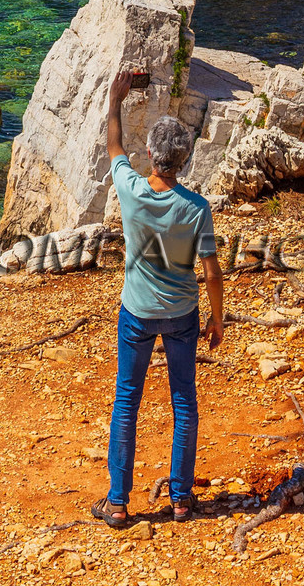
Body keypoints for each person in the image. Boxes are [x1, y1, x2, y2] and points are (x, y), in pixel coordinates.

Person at [91, 64, 225, 531]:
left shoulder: (131, 190)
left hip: (137, 314)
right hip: (184, 315)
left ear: (151, 154)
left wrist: (115, 99)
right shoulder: (197, 209)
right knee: (183, 403)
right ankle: (183, 499)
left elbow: (113, 147)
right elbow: (211, 272)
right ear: (184, 160)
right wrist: (217, 319)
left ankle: (118, 502)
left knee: (127, 402)